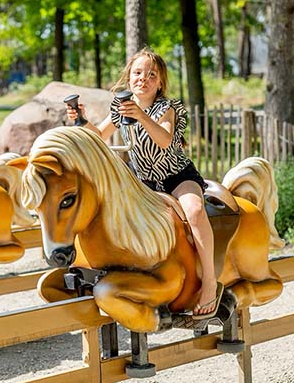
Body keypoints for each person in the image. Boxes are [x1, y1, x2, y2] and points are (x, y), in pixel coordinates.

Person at [75, 48, 220, 320]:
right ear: (129, 78)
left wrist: (141, 116)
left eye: (151, 75)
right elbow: (99, 135)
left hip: (177, 177)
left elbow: (164, 140)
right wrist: (82, 120)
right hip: (145, 182)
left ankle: (209, 281)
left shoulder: (167, 108)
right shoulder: (120, 108)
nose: (144, 78)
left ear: (160, 83)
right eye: (138, 73)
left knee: (195, 211)